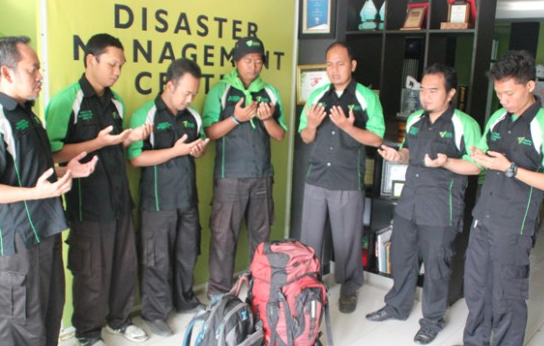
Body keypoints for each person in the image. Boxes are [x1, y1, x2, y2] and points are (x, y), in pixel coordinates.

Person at [0, 36, 97, 346]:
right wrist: (34, 194)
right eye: (33, 69)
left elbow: (28, 171)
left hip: (47, 231)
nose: (40, 76)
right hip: (17, 245)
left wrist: (67, 171)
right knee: (21, 328)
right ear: (7, 72)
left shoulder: (26, 113)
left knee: (48, 318)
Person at [44, 33, 150, 346]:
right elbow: (51, 154)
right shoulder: (67, 101)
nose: (117, 71)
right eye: (111, 64)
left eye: (121, 65)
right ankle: (88, 333)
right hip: (87, 204)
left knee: (124, 265)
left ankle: (119, 321)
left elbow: (114, 148)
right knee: (91, 271)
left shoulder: (116, 102)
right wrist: (98, 142)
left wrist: (128, 139)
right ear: (91, 60)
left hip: (118, 199)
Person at [365, 63, 482, 345]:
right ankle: (397, 306)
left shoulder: (464, 124)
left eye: (433, 90)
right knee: (403, 260)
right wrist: (397, 157)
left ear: (450, 93)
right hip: (409, 204)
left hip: (441, 210)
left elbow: (477, 166)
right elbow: (408, 152)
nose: (425, 96)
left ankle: (432, 320)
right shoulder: (416, 118)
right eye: (423, 90)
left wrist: (447, 162)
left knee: (436, 268)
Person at [459, 50, 544, 346]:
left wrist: (509, 168)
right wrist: (475, 157)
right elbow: (481, 162)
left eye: (509, 94)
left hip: (515, 224)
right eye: (499, 94)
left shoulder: (541, 123)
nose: (503, 101)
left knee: (507, 295)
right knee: (476, 287)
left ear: (530, 86)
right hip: (484, 216)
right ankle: (475, 341)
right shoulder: (497, 117)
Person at [298, 41, 385, 314]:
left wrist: (349, 127)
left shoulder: (365, 97)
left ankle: (348, 289)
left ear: (352, 65)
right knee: (309, 237)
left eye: (340, 64)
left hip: (347, 179)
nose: (334, 70)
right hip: (317, 177)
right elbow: (305, 136)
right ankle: (308, 287)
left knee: (347, 239)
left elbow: (376, 137)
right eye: (329, 65)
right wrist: (311, 125)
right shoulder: (317, 95)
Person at [128, 58, 209, 337]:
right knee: (156, 260)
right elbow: (135, 158)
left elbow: (197, 149)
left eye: (194, 94)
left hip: (187, 198)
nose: (190, 98)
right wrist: (174, 152)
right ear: (170, 85)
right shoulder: (146, 115)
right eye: (186, 92)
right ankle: (155, 314)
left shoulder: (193, 116)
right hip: (157, 203)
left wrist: (197, 151)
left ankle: (185, 300)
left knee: (187, 255)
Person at [202, 36, 286, 297]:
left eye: (258, 61)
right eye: (248, 60)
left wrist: (268, 119)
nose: (253, 66)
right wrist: (236, 118)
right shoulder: (221, 90)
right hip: (230, 178)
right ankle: (218, 294)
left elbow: (279, 134)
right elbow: (211, 132)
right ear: (236, 61)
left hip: (261, 176)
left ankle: (259, 292)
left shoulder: (269, 92)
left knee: (260, 238)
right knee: (223, 238)